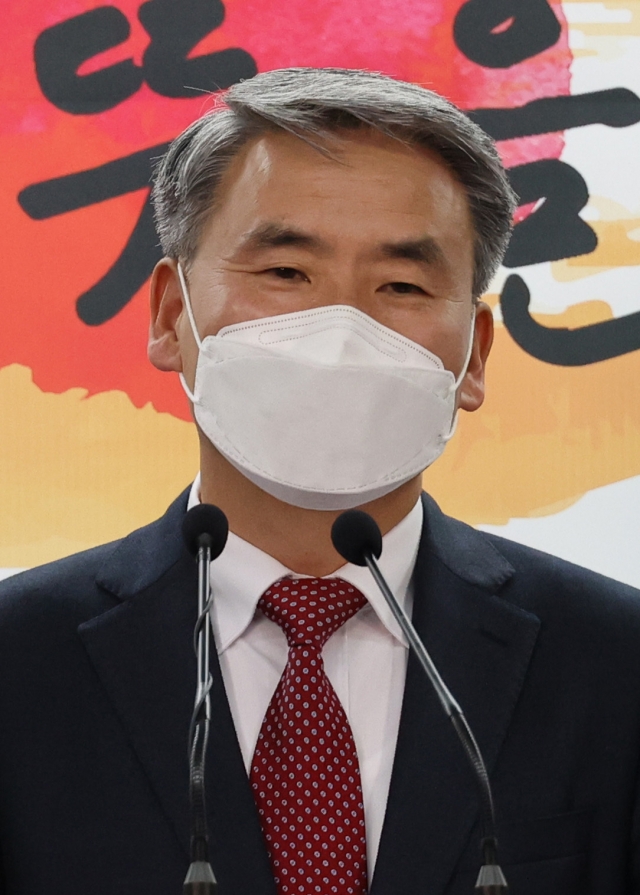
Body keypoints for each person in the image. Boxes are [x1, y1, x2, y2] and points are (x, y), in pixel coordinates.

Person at [1, 67, 639, 895]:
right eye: (286, 274)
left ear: (475, 355)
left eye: (402, 286)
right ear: (170, 317)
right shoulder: (18, 664)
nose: (342, 330)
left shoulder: (615, 666)